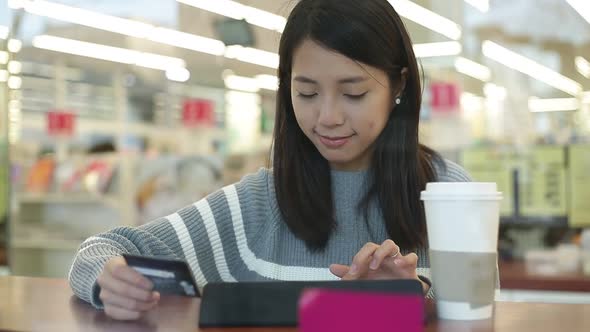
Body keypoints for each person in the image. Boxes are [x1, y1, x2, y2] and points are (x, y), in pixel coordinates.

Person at [69, 0, 472, 320]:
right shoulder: (259, 202)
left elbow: (486, 315)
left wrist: (414, 299)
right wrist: (108, 281)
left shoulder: (450, 195)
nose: (328, 117)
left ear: (399, 84)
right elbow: (103, 249)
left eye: (353, 93)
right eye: (307, 93)